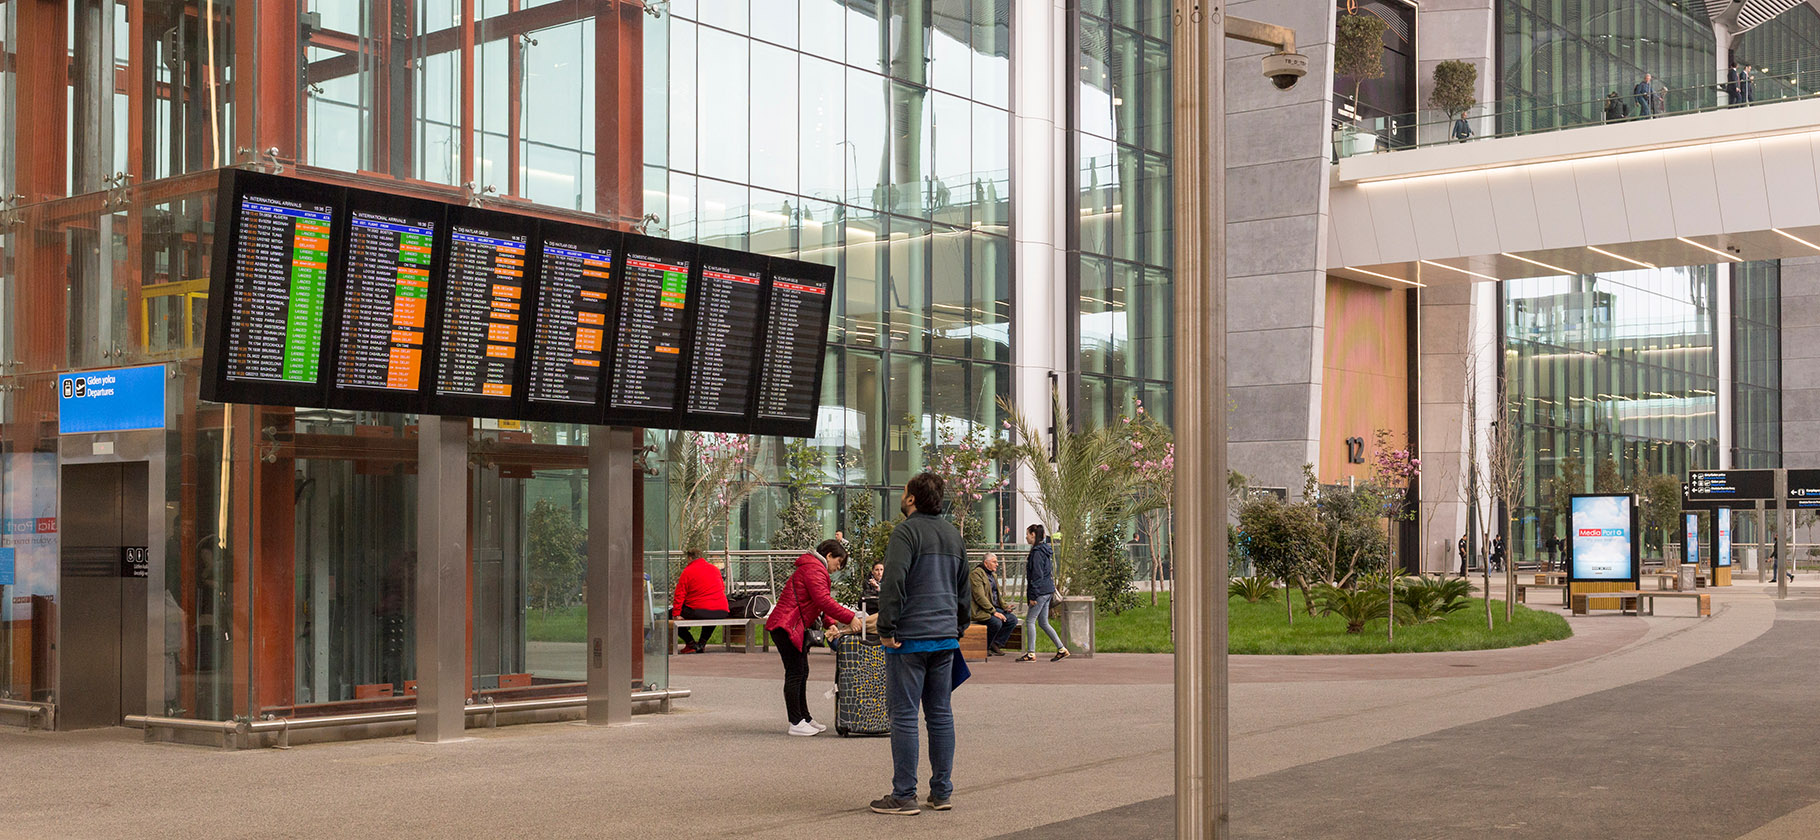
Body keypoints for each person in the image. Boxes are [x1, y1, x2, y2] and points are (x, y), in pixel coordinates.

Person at [870, 472, 971, 817]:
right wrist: (958, 626)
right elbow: (964, 588)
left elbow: (893, 581)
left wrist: (886, 627)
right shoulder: (952, 535)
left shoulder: (906, 532)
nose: (901, 495)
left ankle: (904, 795)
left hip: (909, 639)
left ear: (912, 498)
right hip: (945, 638)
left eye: (903, 492)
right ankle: (941, 792)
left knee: (904, 716)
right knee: (940, 715)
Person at [764, 539, 860, 736]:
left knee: (801, 671)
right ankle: (796, 722)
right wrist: (850, 617)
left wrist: (831, 623)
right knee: (795, 673)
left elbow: (819, 604)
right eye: (838, 562)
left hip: (790, 627)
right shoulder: (814, 570)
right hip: (786, 626)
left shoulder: (813, 567)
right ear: (829, 556)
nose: (838, 568)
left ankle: (804, 717)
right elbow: (823, 600)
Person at [1018, 524, 1068, 662]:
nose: (1026, 537)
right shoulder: (1045, 550)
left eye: (1027, 534)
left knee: (1030, 621)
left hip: (1040, 592)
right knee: (1043, 622)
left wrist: (1033, 596)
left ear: (1033, 534)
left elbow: (1036, 576)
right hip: (1047, 590)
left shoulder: (1037, 553)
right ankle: (1061, 649)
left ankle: (1031, 653)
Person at [670, 554, 730, 654]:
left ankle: (691, 643)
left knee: (669, 615)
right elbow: (722, 588)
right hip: (722, 611)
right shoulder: (714, 569)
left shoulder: (688, 571)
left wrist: (676, 614)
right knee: (711, 615)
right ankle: (702, 643)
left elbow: (679, 594)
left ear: (690, 558)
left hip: (699, 610)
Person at [969, 553, 1019, 656]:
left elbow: (997, 594)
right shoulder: (976, 575)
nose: (997, 564)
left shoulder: (993, 575)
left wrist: (1005, 606)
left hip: (992, 608)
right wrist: (994, 612)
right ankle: (985, 647)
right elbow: (980, 597)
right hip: (980, 609)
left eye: (997, 562)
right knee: (996, 622)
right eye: (994, 562)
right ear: (986, 563)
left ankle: (996, 643)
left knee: (1012, 620)